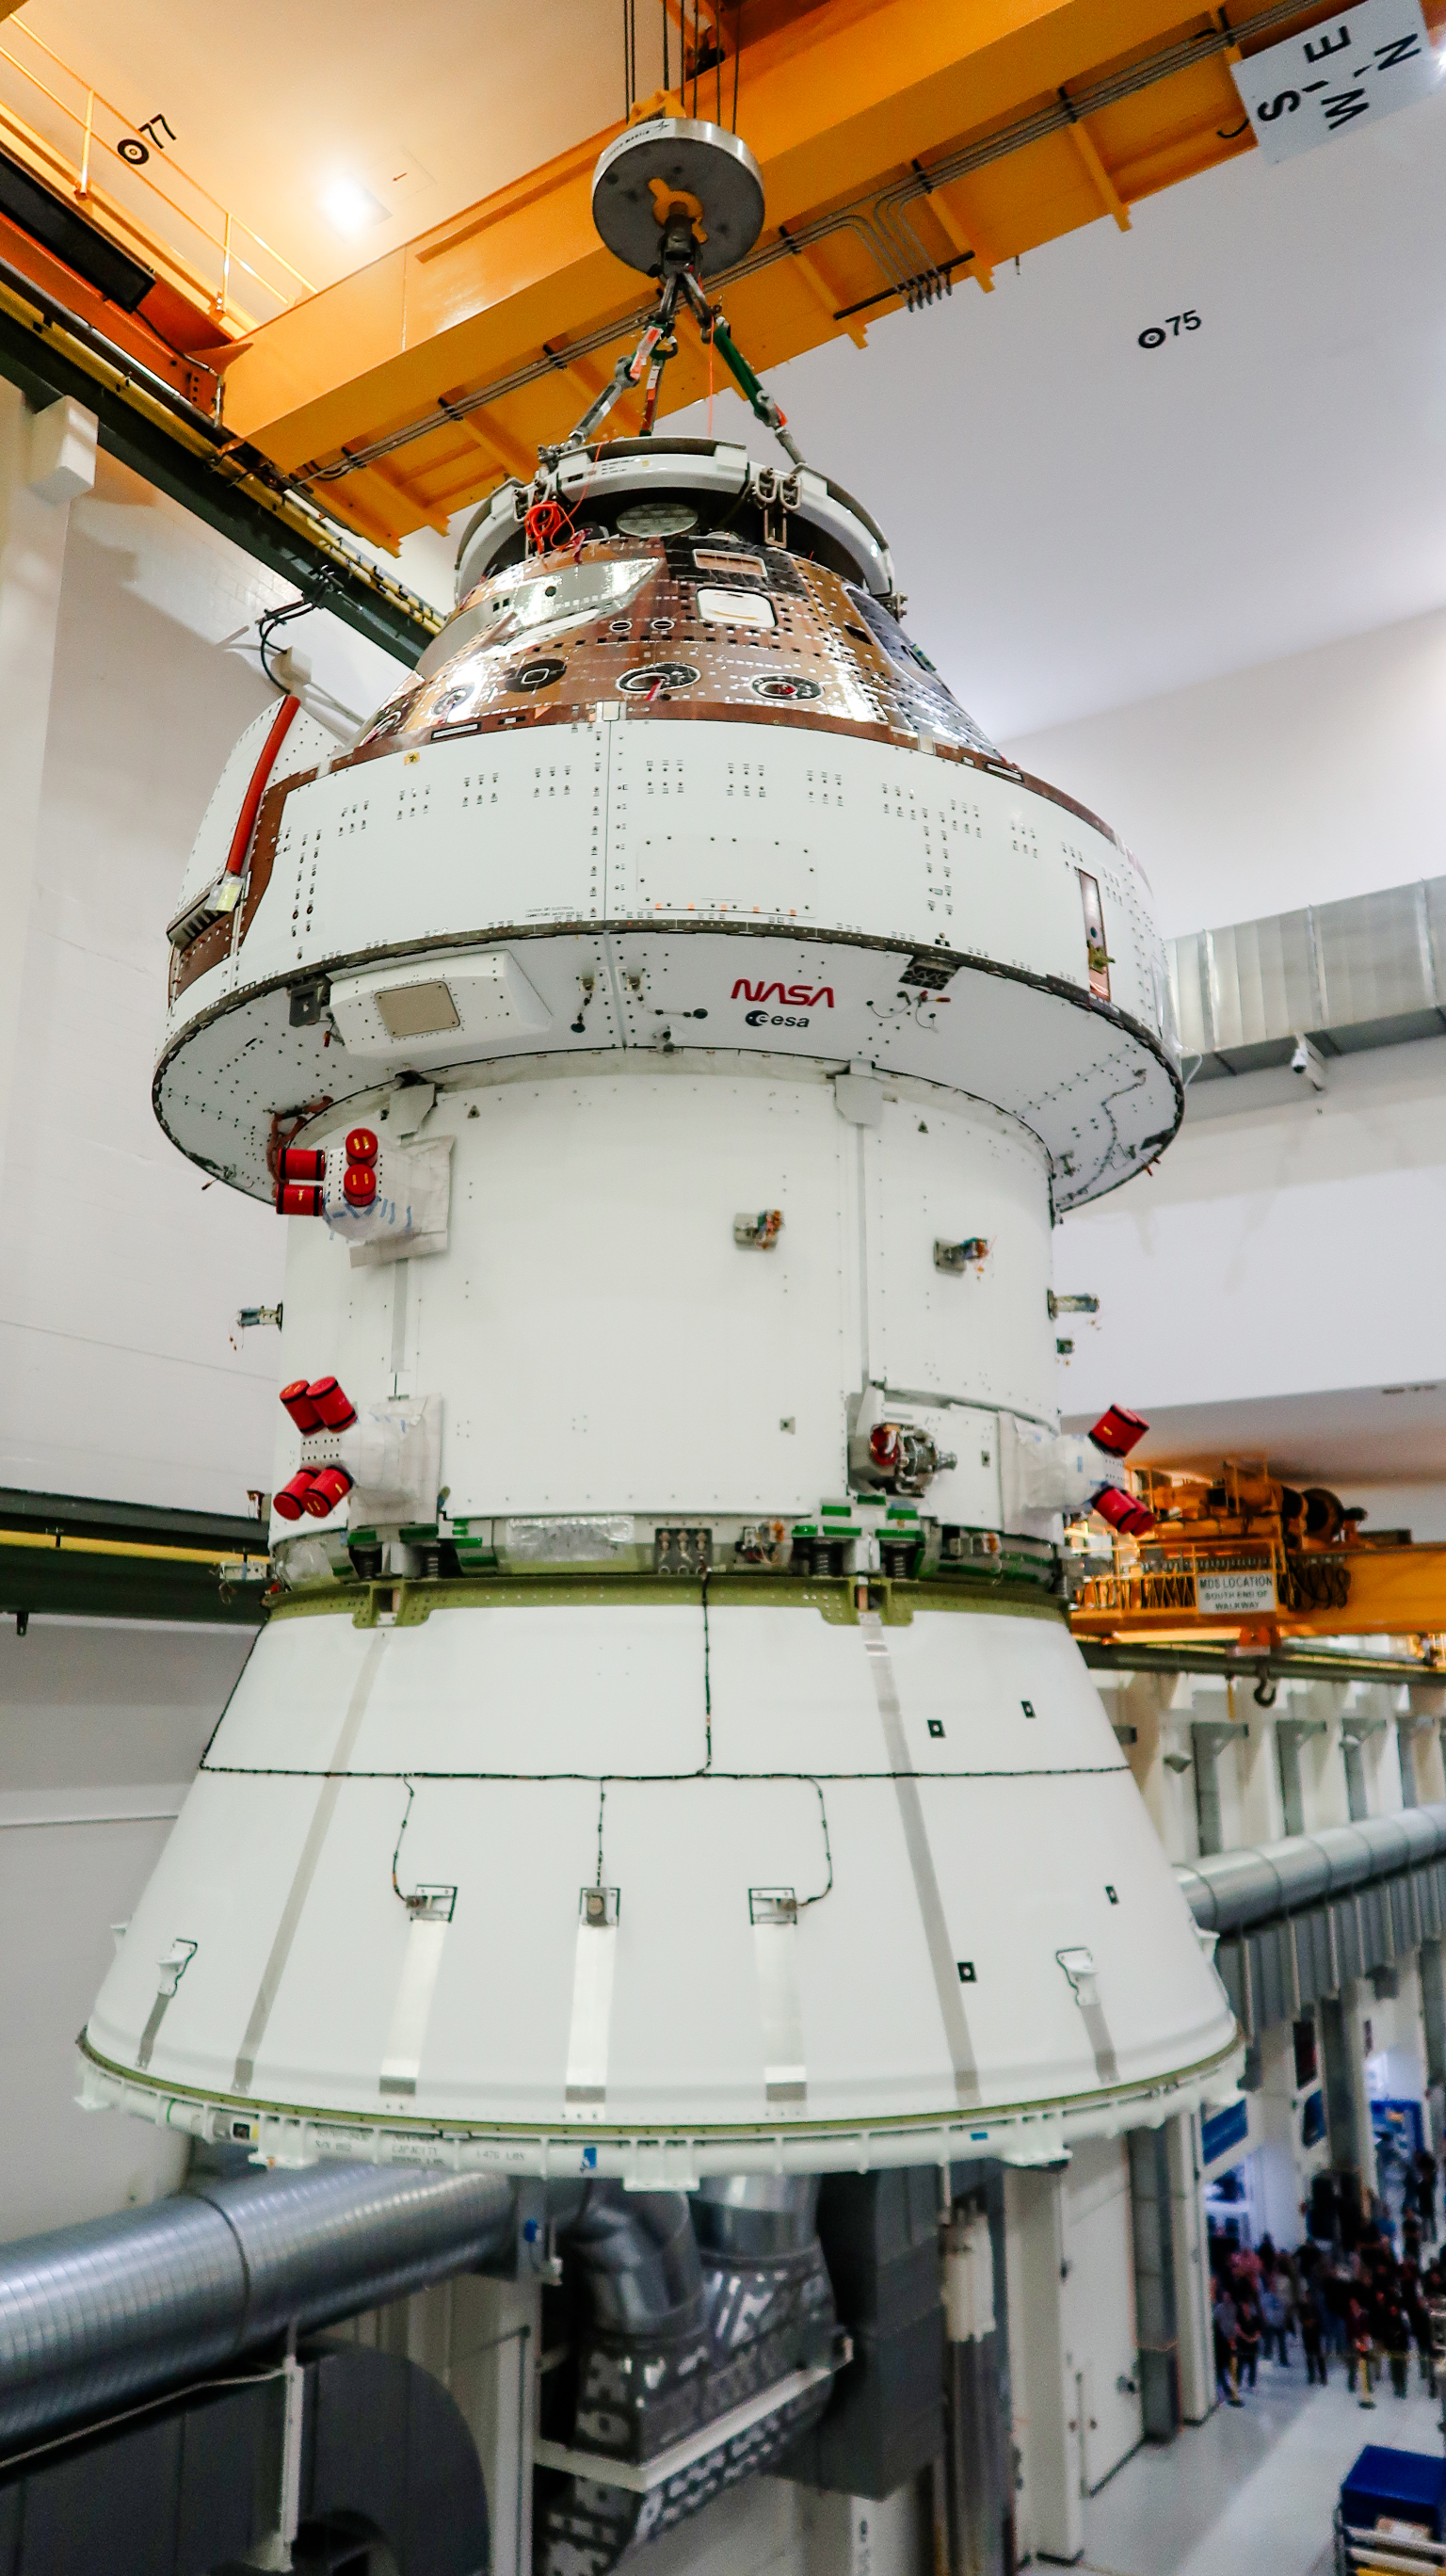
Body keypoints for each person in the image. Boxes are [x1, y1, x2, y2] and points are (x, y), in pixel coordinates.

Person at [1213, 2284, 1242, 2406]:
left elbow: (1236, 2322)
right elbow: (1216, 2321)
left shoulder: (1234, 2308)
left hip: (1232, 2340)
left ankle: (1233, 2388)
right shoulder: (1219, 2309)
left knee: (1233, 2366)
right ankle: (1226, 2388)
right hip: (1223, 2342)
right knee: (1223, 2366)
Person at [1347, 2294, 1377, 2407]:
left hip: (1364, 2340)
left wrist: (1364, 2337)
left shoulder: (1364, 2315)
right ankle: (1351, 2383)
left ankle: (1368, 2385)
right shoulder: (1349, 2316)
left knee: (1366, 2364)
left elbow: (1368, 2327)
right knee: (1353, 2364)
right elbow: (1349, 2330)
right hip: (1353, 2341)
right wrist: (1354, 2339)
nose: (1353, 2305)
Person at [1260, 2274, 1290, 2365]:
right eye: (1272, 2284)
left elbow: (1285, 2308)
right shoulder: (1266, 2296)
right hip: (1270, 2323)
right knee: (1268, 2340)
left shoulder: (1282, 2296)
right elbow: (1263, 2310)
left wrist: (1285, 2319)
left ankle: (1283, 2360)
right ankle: (1267, 2355)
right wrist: (1266, 2321)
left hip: (1280, 2322)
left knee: (1282, 2343)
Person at [1235, 2293, 1262, 2391]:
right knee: (1240, 2365)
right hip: (1242, 2345)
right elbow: (1237, 2330)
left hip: (1252, 2345)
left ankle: (1252, 2384)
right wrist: (1245, 2337)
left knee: (1252, 2365)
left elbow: (1258, 2332)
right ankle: (1238, 2384)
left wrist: (1252, 2339)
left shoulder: (1255, 2318)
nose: (1245, 2308)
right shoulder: (1239, 2318)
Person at [1300, 2288, 1327, 2386]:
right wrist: (1309, 2322)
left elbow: (1318, 2320)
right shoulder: (1302, 2308)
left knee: (1319, 2356)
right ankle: (1311, 2375)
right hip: (1307, 2335)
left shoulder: (1316, 2308)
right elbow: (1302, 2320)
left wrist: (1313, 2323)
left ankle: (1323, 2376)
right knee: (1309, 2357)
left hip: (1315, 2335)